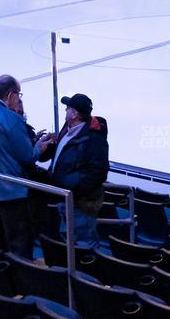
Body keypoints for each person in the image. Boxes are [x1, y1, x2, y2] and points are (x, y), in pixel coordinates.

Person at [0, 75, 55, 258]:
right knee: (19, 245)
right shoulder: (10, 118)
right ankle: (21, 285)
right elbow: (27, 156)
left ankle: (0, 283)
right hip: (10, 193)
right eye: (18, 94)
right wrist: (39, 147)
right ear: (11, 94)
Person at [40, 94, 109, 247]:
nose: (65, 110)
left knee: (83, 245)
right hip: (63, 197)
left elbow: (99, 171)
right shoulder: (68, 128)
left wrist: (75, 190)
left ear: (74, 114)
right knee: (67, 243)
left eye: (68, 108)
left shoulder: (94, 138)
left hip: (81, 204)